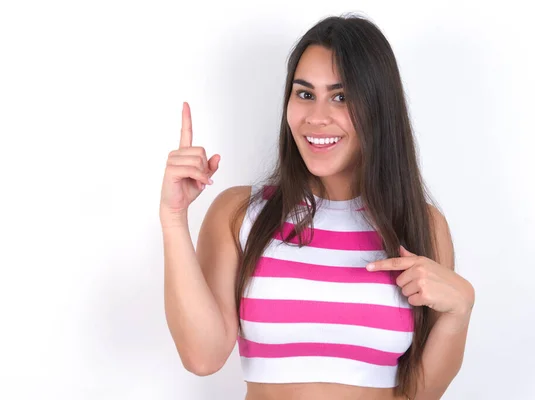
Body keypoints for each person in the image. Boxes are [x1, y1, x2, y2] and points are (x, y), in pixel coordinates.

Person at [159, 14, 475, 400]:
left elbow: (419, 394)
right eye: (305, 94)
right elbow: (202, 357)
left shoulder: (420, 226)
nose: (316, 117)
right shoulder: (241, 214)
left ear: (378, 107)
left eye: (341, 97)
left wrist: (459, 312)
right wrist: (174, 219)